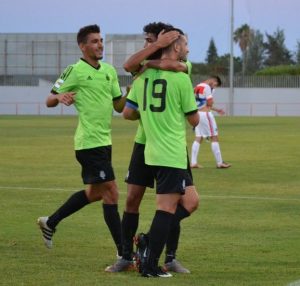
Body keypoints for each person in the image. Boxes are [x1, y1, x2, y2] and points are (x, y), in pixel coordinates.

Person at [105, 23, 199, 274]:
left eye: (150, 40)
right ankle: (126, 255)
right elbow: (128, 112)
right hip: (147, 144)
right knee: (134, 199)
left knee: (183, 201)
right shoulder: (143, 69)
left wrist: (147, 66)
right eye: (146, 41)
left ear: (166, 41)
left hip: (165, 145)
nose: (146, 45)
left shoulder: (178, 67)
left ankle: (167, 256)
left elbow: (174, 65)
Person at [37, 25, 126, 267]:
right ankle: (123, 253)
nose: (100, 45)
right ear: (83, 46)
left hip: (105, 142)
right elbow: (49, 99)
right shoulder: (73, 71)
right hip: (88, 143)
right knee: (111, 192)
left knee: (95, 193)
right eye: (95, 41)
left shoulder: (109, 71)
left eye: (101, 41)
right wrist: (59, 97)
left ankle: (50, 222)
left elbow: (119, 106)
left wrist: (133, 90)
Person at [190, 76, 231, 169]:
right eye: (216, 85)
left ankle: (193, 162)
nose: (215, 87)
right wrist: (211, 104)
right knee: (214, 136)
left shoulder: (196, 87)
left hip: (197, 114)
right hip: (205, 115)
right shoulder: (207, 87)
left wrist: (216, 109)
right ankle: (220, 163)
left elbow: (199, 102)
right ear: (213, 80)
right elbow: (209, 102)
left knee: (199, 137)